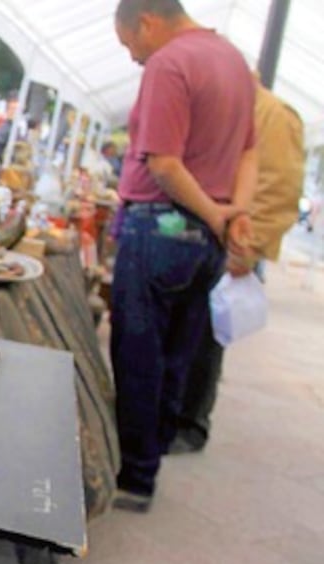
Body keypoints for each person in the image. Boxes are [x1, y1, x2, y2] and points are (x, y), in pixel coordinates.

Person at [109, 0, 257, 512]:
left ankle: (134, 474)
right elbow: (249, 154)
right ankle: (153, 455)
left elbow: (165, 164)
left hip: (162, 227)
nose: (134, 58)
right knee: (176, 354)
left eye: (131, 44)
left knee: (138, 355)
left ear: (147, 21)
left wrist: (218, 216)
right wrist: (233, 211)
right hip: (206, 242)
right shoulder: (234, 62)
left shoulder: (169, 62)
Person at [170, 75, 305, 454]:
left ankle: (190, 422)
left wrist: (248, 247)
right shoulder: (242, 111)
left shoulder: (272, 115)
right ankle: (178, 412)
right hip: (209, 237)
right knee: (191, 332)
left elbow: (279, 188)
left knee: (206, 337)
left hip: (233, 243)